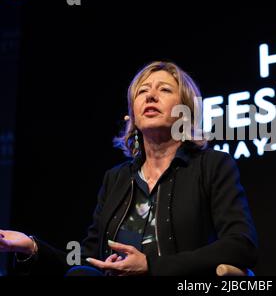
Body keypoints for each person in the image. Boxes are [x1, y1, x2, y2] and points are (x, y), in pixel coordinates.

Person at [0, 61, 258, 276]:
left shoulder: (212, 165)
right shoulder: (116, 179)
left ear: (185, 111)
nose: (151, 96)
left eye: (165, 90)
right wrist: (31, 247)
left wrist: (151, 266)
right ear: (132, 114)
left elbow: (241, 245)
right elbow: (88, 259)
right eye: (142, 91)